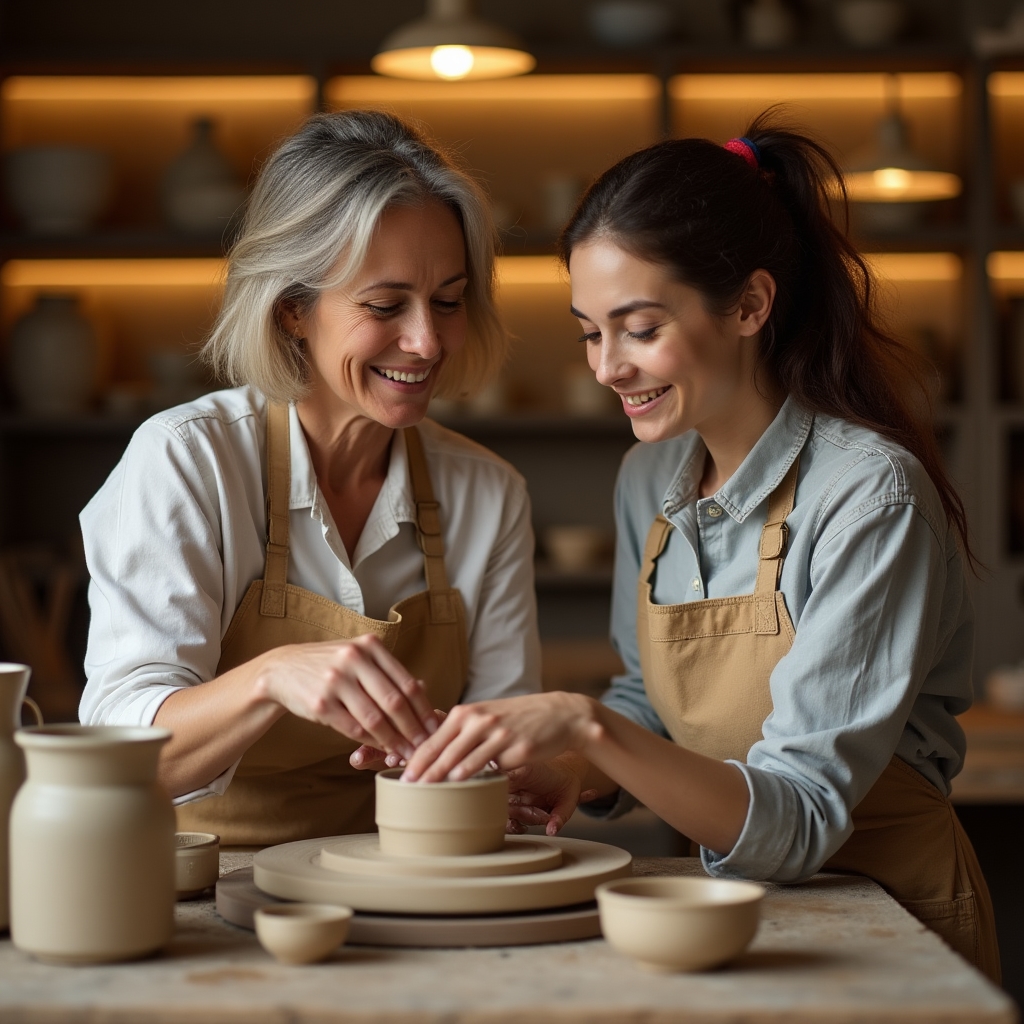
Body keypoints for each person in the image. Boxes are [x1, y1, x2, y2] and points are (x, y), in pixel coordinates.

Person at [400, 116, 1000, 980]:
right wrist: (581, 769)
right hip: (714, 921)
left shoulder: (870, 494)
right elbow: (652, 701)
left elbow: (797, 819)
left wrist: (587, 723)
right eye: (588, 332)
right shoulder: (650, 480)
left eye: (639, 328)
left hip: (885, 923)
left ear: (751, 305)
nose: (606, 367)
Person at [79, 110, 541, 846]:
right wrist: (271, 678)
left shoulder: (486, 493)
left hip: (399, 882)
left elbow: (508, 735)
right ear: (293, 309)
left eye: (448, 301)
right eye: (385, 305)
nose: (426, 341)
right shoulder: (185, 461)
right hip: (193, 889)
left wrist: (502, 775)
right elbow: (115, 755)